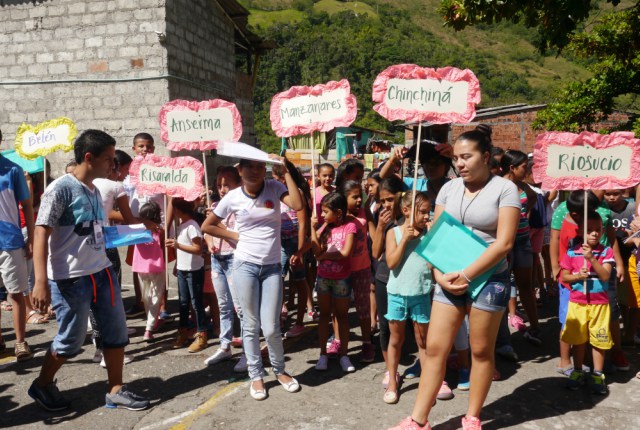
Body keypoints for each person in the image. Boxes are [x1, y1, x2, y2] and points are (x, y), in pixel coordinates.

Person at [390, 127, 520, 430]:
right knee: (435, 349)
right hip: (447, 278)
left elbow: (504, 243)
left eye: (467, 157)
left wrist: (466, 274)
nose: (460, 163)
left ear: (485, 157)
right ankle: (418, 420)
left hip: (489, 280)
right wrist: (439, 274)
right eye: (457, 158)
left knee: (480, 351)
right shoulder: (449, 189)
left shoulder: (505, 189)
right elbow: (436, 235)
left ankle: (472, 417)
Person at [29, 129, 149, 411]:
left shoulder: (96, 188)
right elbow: (40, 232)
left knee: (115, 331)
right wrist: (40, 282)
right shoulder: (60, 189)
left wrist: (138, 231)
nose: (113, 165)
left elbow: (94, 231)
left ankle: (115, 389)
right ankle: (42, 384)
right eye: (108, 159)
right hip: (70, 279)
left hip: (102, 271)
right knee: (71, 341)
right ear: (88, 157)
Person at [201, 156, 302, 401]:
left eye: (259, 167)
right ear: (241, 170)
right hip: (244, 266)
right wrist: (234, 235)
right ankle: (255, 374)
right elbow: (207, 226)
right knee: (250, 324)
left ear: (265, 169)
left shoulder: (274, 187)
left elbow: (298, 204)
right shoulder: (233, 197)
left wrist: (287, 171)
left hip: (272, 268)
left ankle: (280, 370)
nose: (255, 171)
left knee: (272, 327)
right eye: (250, 167)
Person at [383, 191, 432, 404]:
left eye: (428, 211)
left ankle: (428, 384)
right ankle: (393, 382)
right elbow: (391, 263)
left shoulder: (429, 233)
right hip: (397, 293)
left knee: (423, 341)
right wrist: (405, 239)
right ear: (406, 211)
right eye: (422, 212)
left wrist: (432, 237)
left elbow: (434, 263)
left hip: (421, 292)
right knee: (396, 339)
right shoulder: (393, 233)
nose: (426, 216)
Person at [560, 211, 614, 394]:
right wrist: (577, 276)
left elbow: (605, 276)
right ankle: (578, 371)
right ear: (580, 231)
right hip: (578, 303)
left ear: (603, 231)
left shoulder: (606, 251)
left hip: (600, 304)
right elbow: (564, 277)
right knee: (578, 339)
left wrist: (591, 259)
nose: (594, 233)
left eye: (598, 229)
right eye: (589, 230)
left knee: (599, 339)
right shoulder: (571, 252)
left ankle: (598, 374)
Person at [203, 166, 246, 371]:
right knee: (223, 306)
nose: (222, 189)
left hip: (234, 259)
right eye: (219, 185)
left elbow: (237, 236)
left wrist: (215, 223)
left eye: (227, 185)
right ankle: (225, 345)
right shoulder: (214, 206)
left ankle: (248, 351)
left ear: (238, 184)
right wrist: (209, 239)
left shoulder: (241, 209)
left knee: (240, 308)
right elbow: (206, 231)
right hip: (216, 259)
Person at [311, 192, 357, 373]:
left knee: (342, 316)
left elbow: (345, 253)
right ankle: (323, 354)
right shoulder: (323, 227)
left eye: (325, 211)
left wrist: (324, 256)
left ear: (338, 212)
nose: (322, 215)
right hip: (323, 278)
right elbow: (316, 251)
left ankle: (344, 354)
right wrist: (312, 229)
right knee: (324, 315)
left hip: (342, 280)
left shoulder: (350, 227)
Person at [500, 150, 542, 345]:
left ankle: (535, 327)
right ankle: (501, 336)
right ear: (512, 167)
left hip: (523, 241)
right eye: (524, 167)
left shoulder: (523, 186)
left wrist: (524, 214)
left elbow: (532, 197)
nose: (527, 170)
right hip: (504, 244)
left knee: (526, 286)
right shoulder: (497, 186)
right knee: (501, 287)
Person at [0, 128, 35, 361]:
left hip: (9, 241)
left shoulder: (12, 169)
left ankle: (20, 342)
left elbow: (27, 205)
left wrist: (31, 237)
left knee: (16, 292)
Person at [371, 176, 405, 387]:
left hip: (410, 279)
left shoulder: (412, 217)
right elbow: (375, 253)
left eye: (390, 199)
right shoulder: (382, 218)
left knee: (416, 327)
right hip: (385, 277)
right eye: (382, 200)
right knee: (385, 326)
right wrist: (381, 227)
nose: (386, 205)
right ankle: (390, 370)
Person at [168, 198, 207, 352]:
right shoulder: (181, 225)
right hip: (183, 269)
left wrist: (177, 245)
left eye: (173, 208)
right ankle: (183, 332)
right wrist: (177, 264)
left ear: (178, 210)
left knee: (196, 303)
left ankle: (202, 335)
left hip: (194, 270)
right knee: (183, 303)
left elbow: (198, 249)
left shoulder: (192, 226)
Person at [132, 201, 165, 342]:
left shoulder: (136, 230)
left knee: (147, 297)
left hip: (140, 267)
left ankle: (151, 323)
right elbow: (163, 246)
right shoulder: (159, 231)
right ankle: (149, 328)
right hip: (156, 267)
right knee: (155, 297)